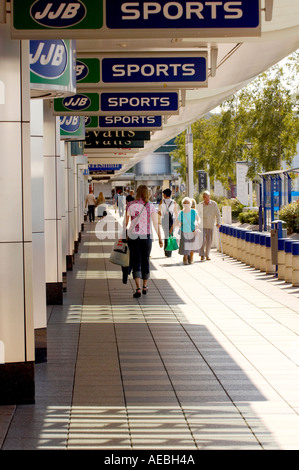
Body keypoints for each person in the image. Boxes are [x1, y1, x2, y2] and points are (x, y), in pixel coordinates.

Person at [126, 185, 163, 298]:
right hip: (146, 237)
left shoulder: (130, 205)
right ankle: (145, 286)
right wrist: (160, 238)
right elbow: (155, 224)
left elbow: (125, 223)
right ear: (147, 193)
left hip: (133, 237)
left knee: (136, 261)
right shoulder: (150, 206)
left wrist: (124, 235)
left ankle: (137, 288)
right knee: (145, 260)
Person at [176, 197, 201, 265]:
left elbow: (198, 219)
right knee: (185, 246)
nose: (186, 204)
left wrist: (197, 223)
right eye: (185, 203)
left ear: (190, 204)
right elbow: (177, 221)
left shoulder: (193, 211)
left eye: (187, 203)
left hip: (192, 231)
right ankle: (185, 257)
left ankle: (191, 258)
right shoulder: (181, 213)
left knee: (192, 245)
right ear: (182, 204)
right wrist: (179, 224)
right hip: (184, 231)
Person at [198, 190, 221, 261]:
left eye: (208, 197)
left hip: (210, 225)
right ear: (203, 198)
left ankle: (207, 254)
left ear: (209, 197)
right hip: (202, 225)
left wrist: (218, 222)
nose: (207, 199)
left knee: (209, 241)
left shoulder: (214, 204)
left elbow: (218, 214)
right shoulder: (200, 204)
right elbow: (197, 215)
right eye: (205, 198)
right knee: (202, 240)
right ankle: (202, 255)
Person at [158, 188, 178, 257]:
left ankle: (166, 251)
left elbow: (159, 211)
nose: (163, 195)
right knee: (170, 235)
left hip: (164, 220)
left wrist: (163, 215)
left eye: (163, 194)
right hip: (171, 220)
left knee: (166, 235)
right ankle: (169, 252)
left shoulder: (162, 202)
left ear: (166, 194)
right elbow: (176, 213)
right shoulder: (174, 202)